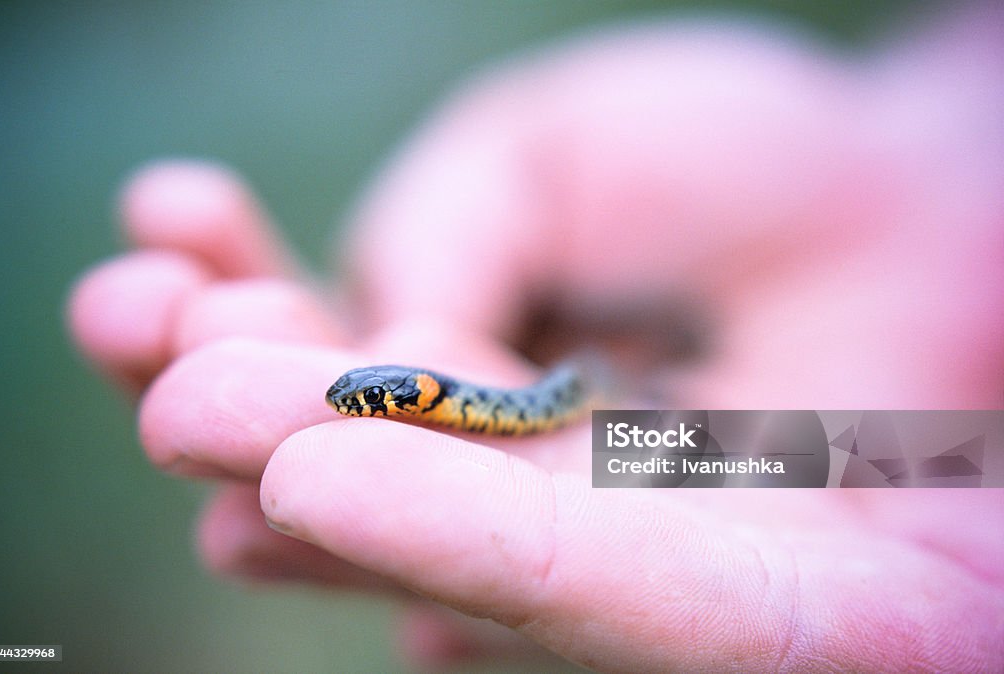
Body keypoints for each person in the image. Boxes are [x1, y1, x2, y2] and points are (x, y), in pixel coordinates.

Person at [68, 7, 1003, 671]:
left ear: (425, 398)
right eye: (372, 402)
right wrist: (931, 135)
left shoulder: (516, 397)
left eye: (379, 399)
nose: (368, 407)